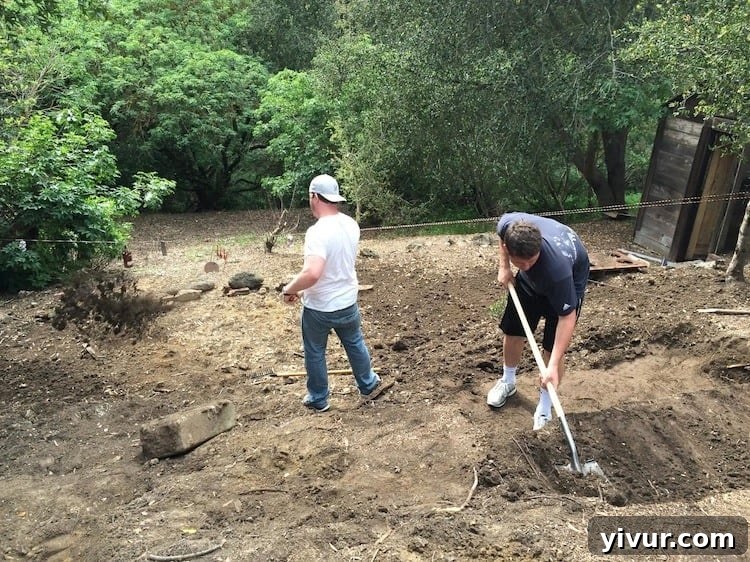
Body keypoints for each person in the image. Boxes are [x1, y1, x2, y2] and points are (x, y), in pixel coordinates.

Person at [282, 174, 391, 412]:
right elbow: (335, 266)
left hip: (319, 308)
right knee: (355, 343)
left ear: (314, 196)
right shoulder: (351, 224)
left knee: (315, 352)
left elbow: (313, 273)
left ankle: (318, 398)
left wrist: (289, 289)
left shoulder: (317, 232)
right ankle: (368, 384)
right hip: (348, 302)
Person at [487, 212, 590, 430]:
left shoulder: (558, 272)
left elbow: (566, 317)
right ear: (509, 248)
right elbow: (502, 236)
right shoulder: (509, 227)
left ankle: (545, 405)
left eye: (530, 261)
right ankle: (508, 382)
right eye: (519, 262)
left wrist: (551, 367)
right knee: (514, 330)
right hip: (530, 284)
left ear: (539, 250)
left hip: (566, 285)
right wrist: (505, 267)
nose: (525, 265)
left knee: (552, 350)